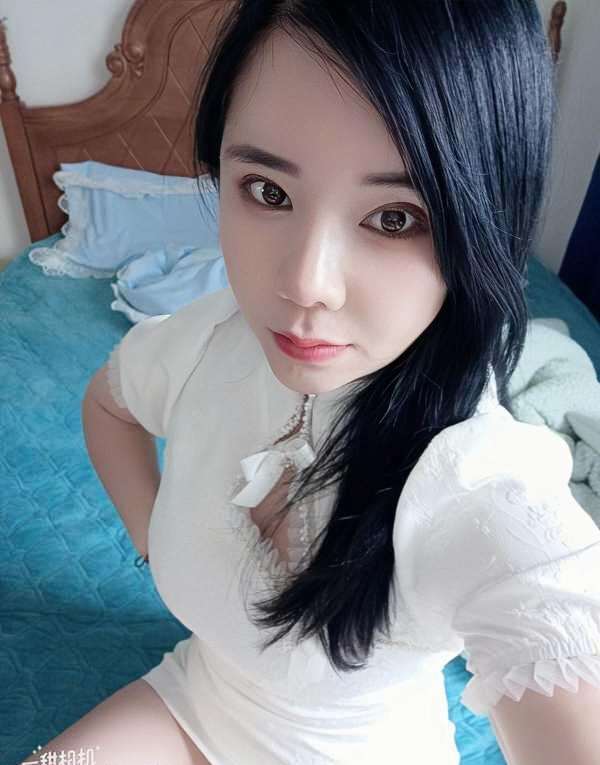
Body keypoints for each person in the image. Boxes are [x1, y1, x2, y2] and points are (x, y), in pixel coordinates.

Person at [31, 1, 600, 764]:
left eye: (395, 218)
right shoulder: (208, 339)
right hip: (195, 698)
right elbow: (109, 404)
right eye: (268, 191)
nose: (305, 284)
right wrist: (152, 540)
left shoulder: (475, 482)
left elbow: (550, 611)